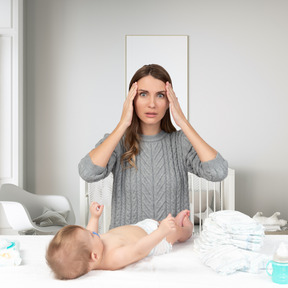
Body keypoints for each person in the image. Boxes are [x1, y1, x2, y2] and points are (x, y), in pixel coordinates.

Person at [78, 64, 228, 229]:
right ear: (132, 99)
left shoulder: (180, 143)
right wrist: (122, 124)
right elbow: (87, 172)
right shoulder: (118, 142)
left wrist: (183, 122)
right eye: (143, 94)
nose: (152, 104)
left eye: (160, 96)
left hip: (172, 248)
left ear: (169, 101)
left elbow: (218, 172)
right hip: (127, 248)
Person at [46, 202, 193, 280]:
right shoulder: (113, 258)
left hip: (141, 227)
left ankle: (170, 223)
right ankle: (186, 229)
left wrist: (94, 217)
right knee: (175, 231)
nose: (93, 232)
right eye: (90, 235)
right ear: (94, 256)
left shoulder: (93, 248)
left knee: (162, 222)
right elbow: (139, 250)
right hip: (154, 241)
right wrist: (161, 232)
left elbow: (91, 233)